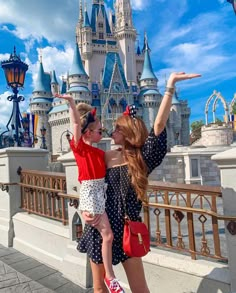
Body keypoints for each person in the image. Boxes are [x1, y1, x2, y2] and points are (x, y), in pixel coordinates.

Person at [80, 72, 201, 293]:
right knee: (99, 289)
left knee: (140, 289)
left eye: (117, 128)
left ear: (127, 132)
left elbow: (159, 124)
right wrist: (86, 209)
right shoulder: (104, 156)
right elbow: (88, 181)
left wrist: (169, 87)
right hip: (101, 225)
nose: (112, 130)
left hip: (127, 228)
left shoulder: (141, 159)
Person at [54, 94, 125, 293]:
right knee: (108, 235)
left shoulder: (99, 153)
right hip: (91, 194)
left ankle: (109, 277)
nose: (103, 133)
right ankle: (110, 277)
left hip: (98, 194)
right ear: (88, 132)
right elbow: (76, 123)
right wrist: (70, 102)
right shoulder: (80, 148)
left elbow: (118, 157)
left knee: (107, 236)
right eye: (99, 130)